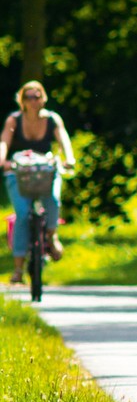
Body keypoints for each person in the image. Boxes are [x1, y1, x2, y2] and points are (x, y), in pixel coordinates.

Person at [2, 81, 71, 284]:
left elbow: (63, 139)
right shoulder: (14, 121)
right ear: (22, 101)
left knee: (53, 200)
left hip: (45, 171)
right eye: (28, 97)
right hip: (20, 171)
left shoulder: (52, 119)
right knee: (22, 215)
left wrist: (69, 158)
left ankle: (52, 235)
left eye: (37, 96)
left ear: (43, 99)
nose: (33, 101)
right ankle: (18, 269)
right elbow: (4, 142)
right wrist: (2, 161)